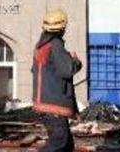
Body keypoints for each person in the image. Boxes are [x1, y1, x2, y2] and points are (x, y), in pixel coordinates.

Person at [32, 8, 82, 152]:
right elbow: (67, 70)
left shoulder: (41, 46)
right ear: (62, 28)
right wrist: (75, 60)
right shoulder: (55, 45)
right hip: (54, 105)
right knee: (59, 143)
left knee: (66, 146)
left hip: (44, 103)